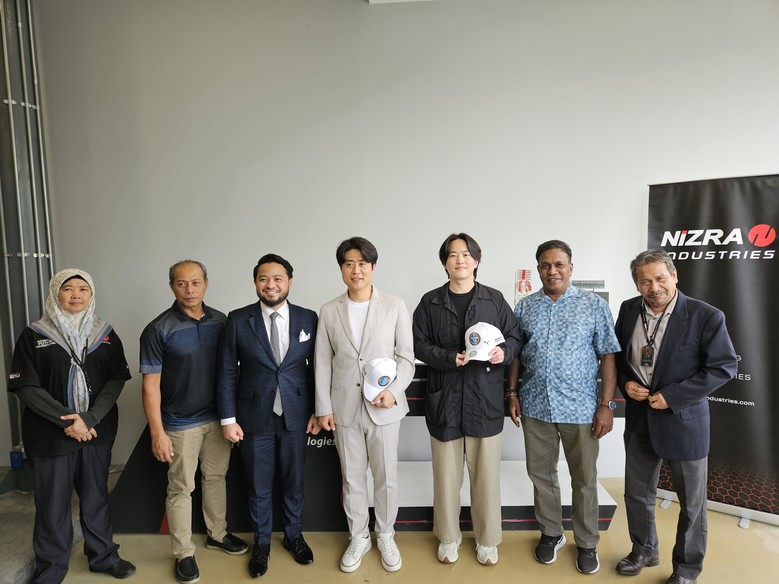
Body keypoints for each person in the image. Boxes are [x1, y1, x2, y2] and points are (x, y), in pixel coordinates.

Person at [614, 249, 737, 584]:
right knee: (636, 494)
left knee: (692, 505)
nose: (654, 287)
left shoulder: (705, 316)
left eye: (660, 278)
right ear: (636, 284)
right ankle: (644, 550)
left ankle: (686, 569)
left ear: (674, 276)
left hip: (684, 422)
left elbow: (723, 366)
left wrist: (673, 396)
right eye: (645, 281)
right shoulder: (628, 310)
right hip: (640, 419)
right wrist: (625, 383)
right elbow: (620, 358)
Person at [7, 269, 135, 583]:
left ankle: (103, 556)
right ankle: (51, 567)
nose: (76, 295)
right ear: (55, 293)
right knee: (52, 503)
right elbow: (26, 387)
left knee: (95, 497)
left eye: (83, 289)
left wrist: (89, 419)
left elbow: (116, 380)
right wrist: (69, 420)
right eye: (68, 288)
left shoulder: (105, 333)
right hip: (50, 435)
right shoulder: (34, 335)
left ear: (91, 295)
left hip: (96, 432)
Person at [506, 239, 620, 575]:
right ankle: (551, 533)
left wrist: (606, 405)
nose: (552, 271)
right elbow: (515, 356)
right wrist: (512, 392)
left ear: (571, 268)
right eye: (545, 265)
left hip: (581, 409)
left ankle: (586, 542)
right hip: (536, 407)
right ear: (538, 269)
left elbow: (607, 356)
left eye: (558, 264)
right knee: (541, 475)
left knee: (584, 478)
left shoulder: (593, 305)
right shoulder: (525, 308)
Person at [412, 233, 521, 567]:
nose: (460, 260)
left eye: (466, 254)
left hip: (483, 399)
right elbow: (417, 344)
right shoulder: (430, 302)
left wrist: (503, 352)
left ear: (476, 260)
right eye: (452, 254)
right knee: (446, 477)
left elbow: (514, 337)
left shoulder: (494, 299)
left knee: (486, 477)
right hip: (444, 398)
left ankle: (487, 541)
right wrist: (448, 357)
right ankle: (448, 537)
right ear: (445, 262)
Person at [140, 260, 248, 584]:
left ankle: (217, 534)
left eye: (196, 282)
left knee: (216, 478)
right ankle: (184, 553)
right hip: (179, 423)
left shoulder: (222, 321)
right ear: (172, 286)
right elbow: (150, 386)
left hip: (218, 419)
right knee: (181, 488)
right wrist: (157, 433)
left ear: (206, 283)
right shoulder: (158, 329)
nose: (189, 290)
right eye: (182, 283)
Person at [315, 237, 414, 574]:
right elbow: (323, 363)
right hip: (344, 407)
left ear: (372, 267)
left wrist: (394, 392)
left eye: (362, 263)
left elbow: (406, 358)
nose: (355, 270)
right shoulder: (329, 310)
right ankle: (358, 536)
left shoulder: (394, 305)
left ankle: (385, 534)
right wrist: (323, 407)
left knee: (386, 477)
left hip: (384, 407)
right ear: (341, 268)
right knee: (352, 478)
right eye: (349, 264)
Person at [218, 254, 319, 578]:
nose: (270, 284)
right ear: (255, 283)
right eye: (263, 278)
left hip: (296, 414)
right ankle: (261, 544)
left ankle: (293, 536)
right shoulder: (238, 319)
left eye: (277, 278)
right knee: (258, 485)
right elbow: (226, 372)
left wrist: (318, 410)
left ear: (289, 282)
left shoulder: (308, 318)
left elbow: (317, 369)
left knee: (293, 481)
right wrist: (228, 419)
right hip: (252, 416)